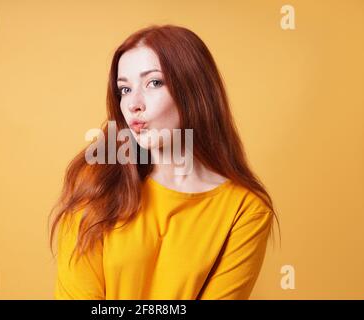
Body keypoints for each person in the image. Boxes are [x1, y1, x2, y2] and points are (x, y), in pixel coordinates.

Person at [49, 24, 280, 300]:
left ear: (194, 90)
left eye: (154, 83)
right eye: (124, 89)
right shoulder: (96, 183)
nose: (133, 103)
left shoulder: (245, 210)